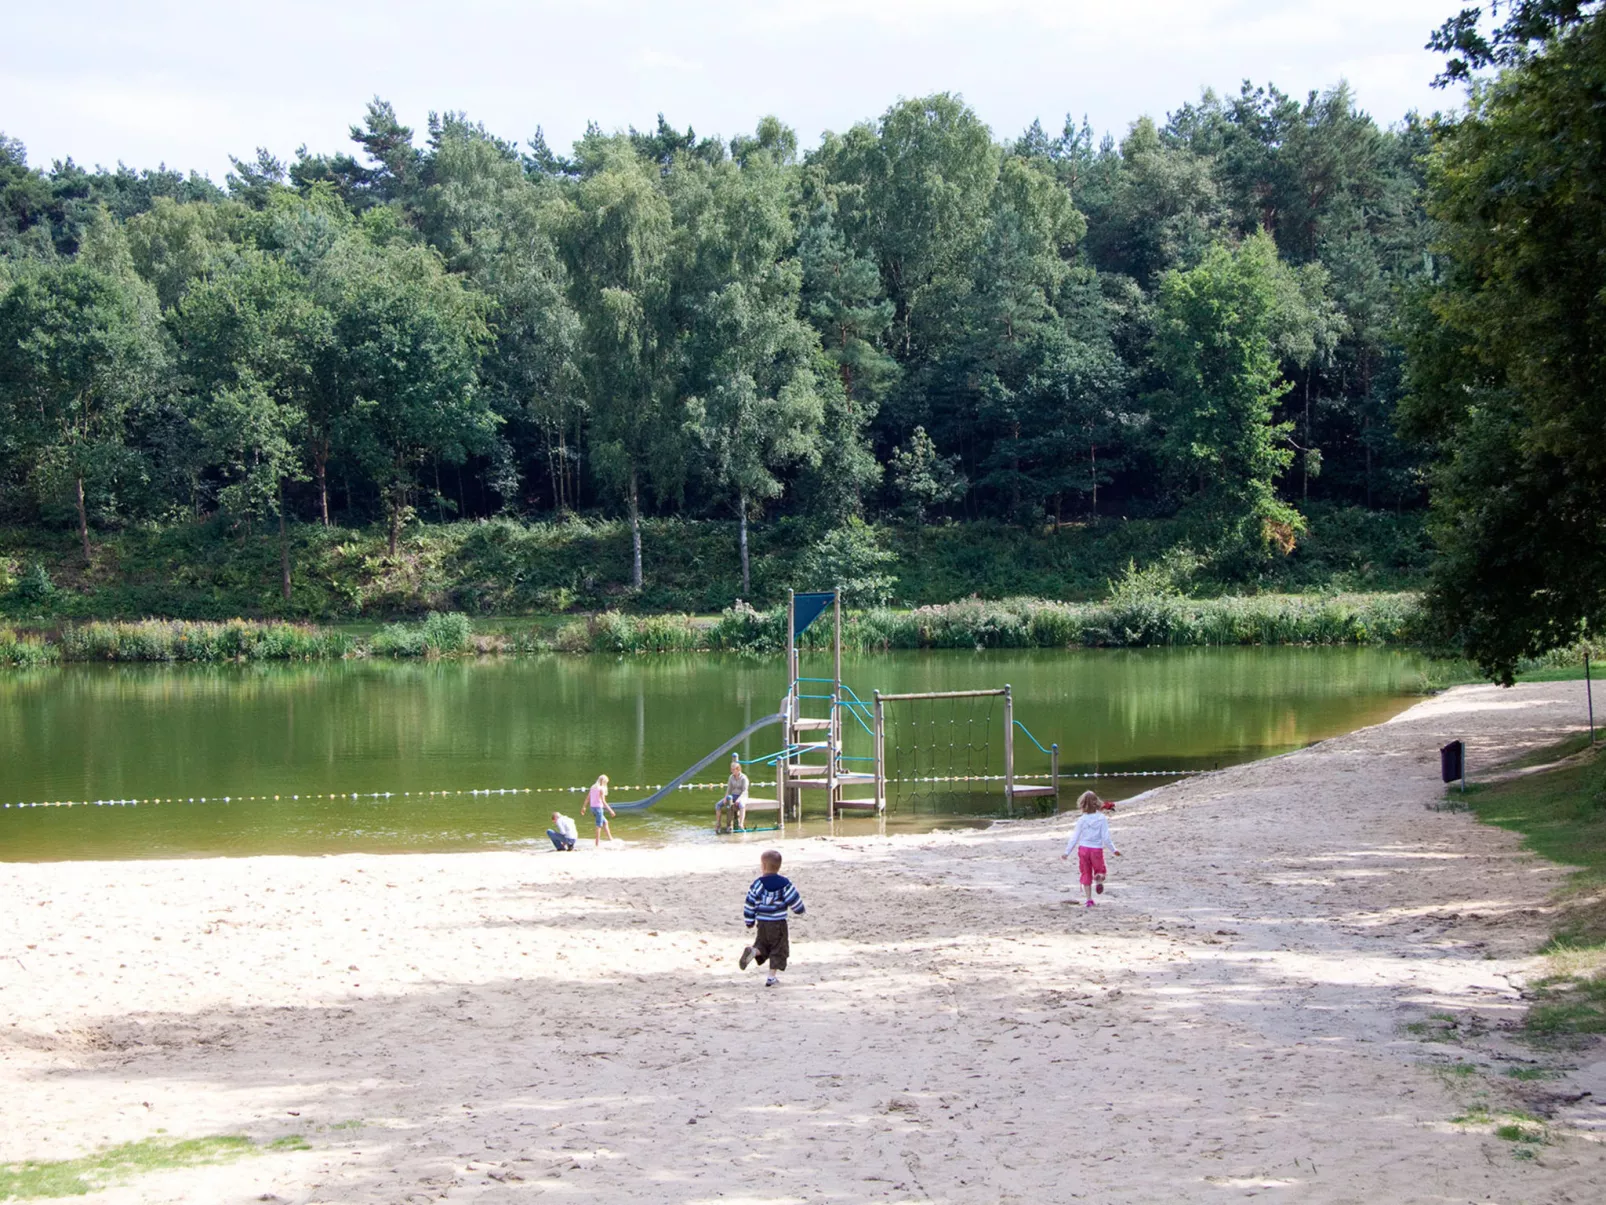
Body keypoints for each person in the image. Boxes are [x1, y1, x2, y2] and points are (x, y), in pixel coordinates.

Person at [738, 849, 805, 987]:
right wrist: (799, 910)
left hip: (762, 923)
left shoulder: (758, 884)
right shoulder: (785, 884)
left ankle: (754, 951)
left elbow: (750, 903)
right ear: (779, 866)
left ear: (763, 866)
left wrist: (749, 921)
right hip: (778, 923)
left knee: (763, 944)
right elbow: (794, 899)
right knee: (778, 949)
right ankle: (771, 977)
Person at [1061, 790, 1121, 907]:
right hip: (1096, 849)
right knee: (1100, 869)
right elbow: (1106, 838)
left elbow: (1074, 837)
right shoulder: (1101, 818)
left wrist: (1066, 852)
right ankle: (1099, 879)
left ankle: (1089, 899)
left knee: (1086, 873)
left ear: (1082, 805)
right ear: (1097, 803)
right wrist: (1114, 850)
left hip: (1083, 849)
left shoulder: (1081, 820)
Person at [716, 757, 750, 834]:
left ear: (738, 770)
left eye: (733, 769)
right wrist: (725, 797)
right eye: (731, 769)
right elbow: (729, 789)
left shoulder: (744, 778)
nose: (732, 771)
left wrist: (739, 799)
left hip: (742, 796)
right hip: (733, 795)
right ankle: (718, 823)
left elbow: (745, 791)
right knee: (718, 805)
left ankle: (741, 824)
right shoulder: (731, 777)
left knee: (741, 805)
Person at [586, 774, 615, 847]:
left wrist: (584, 807)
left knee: (605, 822)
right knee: (599, 826)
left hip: (592, 808)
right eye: (606, 783)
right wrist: (610, 810)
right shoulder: (601, 789)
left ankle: (610, 839)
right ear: (603, 782)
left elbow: (588, 798)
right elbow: (603, 802)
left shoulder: (593, 787)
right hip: (598, 809)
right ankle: (597, 844)